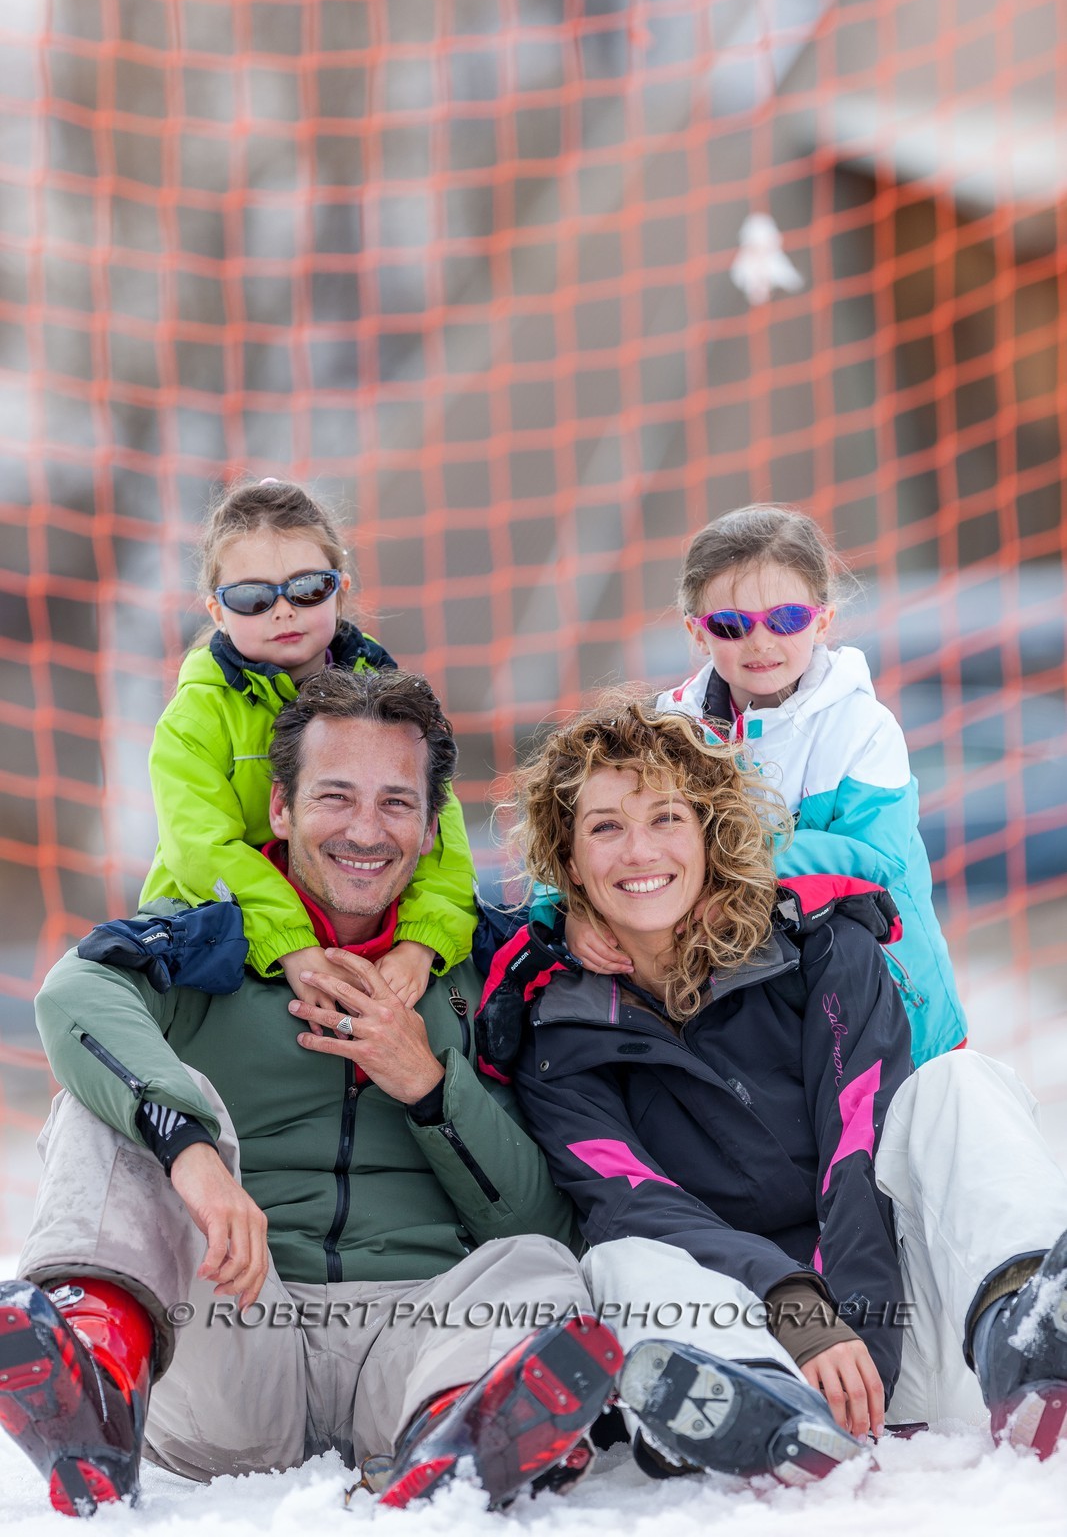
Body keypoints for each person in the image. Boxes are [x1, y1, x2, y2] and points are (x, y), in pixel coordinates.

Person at [0, 669, 622, 1518]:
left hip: (416, 1344)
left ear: (432, 824)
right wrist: (198, 1162)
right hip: (235, 1326)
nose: (367, 830)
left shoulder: (493, 967)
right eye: (336, 797)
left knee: (544, 1269)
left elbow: (538, 1224)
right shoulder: (205, 940)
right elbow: (72, 996)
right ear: (283, 808)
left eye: (397, 803)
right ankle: (95, 1378)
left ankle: (466, 1437)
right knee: (105, 1098)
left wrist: (430, 1086)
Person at [477, 694, 1067, 1484]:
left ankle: (1026, 1333)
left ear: (710, 832)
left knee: (956, 1084)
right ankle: (759, 1419)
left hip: (908, 1325)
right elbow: (632, 1196)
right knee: (621, 1252)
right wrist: (793, 1310)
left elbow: (856, 1147)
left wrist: (852, 1333)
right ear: (570, 858)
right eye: (605, 827)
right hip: (760, 1338)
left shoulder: (817, 948)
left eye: (665, 819)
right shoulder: (556, 1030)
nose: (637, 851)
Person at [560, 503, 964, 1065]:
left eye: (786, 619)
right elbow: (575, 833)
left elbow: (878, 863)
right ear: (697, 634)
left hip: (894, 1006)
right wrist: (569, 909)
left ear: (822, 620)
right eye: (731, 624)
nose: (760, 642)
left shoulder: (860, 729)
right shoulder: (668, 729)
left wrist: (725, 864)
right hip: (763, 1016)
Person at [139, 478, 477, 1010]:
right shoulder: (195, 717)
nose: (282, 610)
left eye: (306, 588)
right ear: (217, 611)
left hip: (350, 927)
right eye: (252, 596)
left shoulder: (389, 705)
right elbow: (201, 849)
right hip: (221, 936)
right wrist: (291, 945)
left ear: (340, 588)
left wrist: (419, 943)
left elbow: (439, 833)